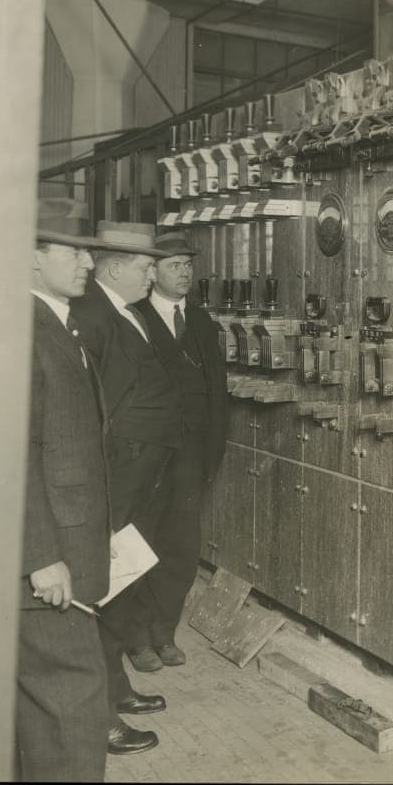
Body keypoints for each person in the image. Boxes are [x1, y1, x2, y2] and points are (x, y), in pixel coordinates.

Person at [70, 221, 178, 756]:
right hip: (117, 476)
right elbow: (96, 410)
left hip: (138, 474)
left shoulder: (122, 312)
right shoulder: (93, 315)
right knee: (103, 591)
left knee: (121, 585)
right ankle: (100, 711)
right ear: (113, 267)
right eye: (144, 266)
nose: (152, 274)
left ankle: (115, 687)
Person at [19, 199, 110, 781]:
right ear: (32, 257)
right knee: (73, 695)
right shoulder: (29, 333)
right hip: (52, 557)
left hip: (68, 544)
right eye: (73, 251)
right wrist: (41, 556)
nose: (88, 262)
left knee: (47, 705)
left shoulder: (57, 324)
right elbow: (13, 455)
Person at [130, 232, 228, 667]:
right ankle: (135, 638)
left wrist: (212, 453)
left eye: (188, 264)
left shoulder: (203, 322)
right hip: (147, 457)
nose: (185, 271)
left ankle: (163, 632)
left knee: (182, 548)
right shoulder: (134, 319)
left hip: (189, 457)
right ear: (152, 272)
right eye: (174, 265)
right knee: (140, 544)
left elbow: (216, 392)